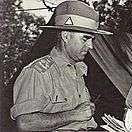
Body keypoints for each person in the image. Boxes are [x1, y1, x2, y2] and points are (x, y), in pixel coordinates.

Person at [10, 0, 112, 131]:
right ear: (66, 36)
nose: (90, 46)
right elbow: (25, 124)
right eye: (85, 39)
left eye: (93, 40)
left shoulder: (79, 69)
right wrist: (74, 114)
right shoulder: (38, 72)